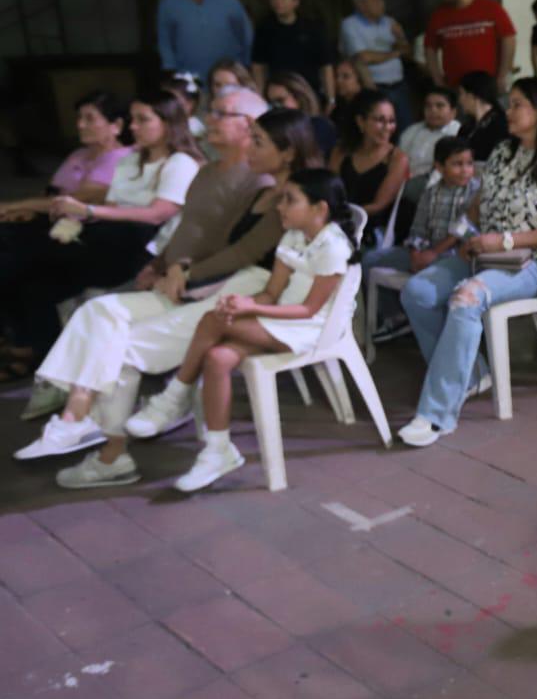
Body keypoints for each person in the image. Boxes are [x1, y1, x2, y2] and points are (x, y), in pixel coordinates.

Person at [15, 102, 303, 485]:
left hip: (245, 296)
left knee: (120, 345)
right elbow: (214, 239)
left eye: (259, 141)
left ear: (288, 152)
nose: (251, 148)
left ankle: (111, 450)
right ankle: (78, 418)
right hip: (218, 284)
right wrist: (167, 265)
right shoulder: (263, 192)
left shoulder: (285, 196)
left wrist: (185, 272)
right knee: (98, 314)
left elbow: (244, 254)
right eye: (252, 139)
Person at [128, 169, 357, 492]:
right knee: (218, 357)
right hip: (280, 320)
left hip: (312, 328)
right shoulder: (292, 235)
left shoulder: (333, 246)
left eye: (290, 200)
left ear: (320, 209)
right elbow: (271, 294)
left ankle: (174, 396)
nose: (280, 206)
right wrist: (243, 303)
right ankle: (218, 449)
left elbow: (310, 310)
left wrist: (252, 309)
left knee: (212, 320)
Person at [396, 78, 537, 446]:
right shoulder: (503, 152)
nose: (509, 112)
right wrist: (466, 237)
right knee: (417, 291)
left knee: (466, 297)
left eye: (517, 105)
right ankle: (472, 375)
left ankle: (436, 415)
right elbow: (477, 207)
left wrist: (503, 240)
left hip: (536, 262)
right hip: (489, 253)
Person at [0, 90, 203, 376]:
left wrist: (90, 212)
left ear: (168, 124)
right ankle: (36, 352)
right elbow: (111, 206)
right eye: (133, 119)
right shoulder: (130, 161)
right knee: (33, 281)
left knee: (18, 253)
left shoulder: (179, 162)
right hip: (106, 236)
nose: (132, 127)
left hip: (138, 245)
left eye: (142, 120)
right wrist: (82, 218)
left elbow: (159, 213)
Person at [364, 135, 479, 340]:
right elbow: (418, 228)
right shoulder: (431, 193)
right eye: (457, 164)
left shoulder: (475, 191)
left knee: (426, 280)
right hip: (426, 251)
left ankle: (437, 328)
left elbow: (463, 229)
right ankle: (395, 316)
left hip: (454, 255)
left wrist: (434, 253)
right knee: (370, 260)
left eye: (469, 164)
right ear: (439, 167)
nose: (465, 170)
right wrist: (416, 253)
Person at [0, 91, 131, 222]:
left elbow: (77, 199)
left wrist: (12, 206)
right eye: (79, 117)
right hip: (54, 221)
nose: (80, 125)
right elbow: (51, 193)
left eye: (89, 119)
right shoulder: (78, 154)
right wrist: (28, 210)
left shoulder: (121, 158)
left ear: (116, 125)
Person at [330, 89, 410, 238]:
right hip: (333, 224)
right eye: (380, 120)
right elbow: (329, 190)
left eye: (391, 121)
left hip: (372, 232)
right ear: (360, 121)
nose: (387, 127)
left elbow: (378, 205)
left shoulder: (397, 158)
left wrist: (342, 216)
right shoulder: (341, 151)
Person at [424, 0, 515, 92]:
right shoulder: (438, 16)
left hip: (489, 84)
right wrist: (437, 79)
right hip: (456, 86)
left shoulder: (490, 8)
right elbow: (430, 48)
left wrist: (503, 74)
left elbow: (508, 39)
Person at [339, 0, 413, 131]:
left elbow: (408, 53)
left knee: (407, 130)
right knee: (382, 132)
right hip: (374, 87)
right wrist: (395, 52)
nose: (381, 3)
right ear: (361, 4)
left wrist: (400, 37)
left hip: (399, 86)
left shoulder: (389, 22)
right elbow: (364, 57)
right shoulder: (350, 24)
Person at [249, 0, 335, 107]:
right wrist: (260, 97)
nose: (278, 2)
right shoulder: (265, 29)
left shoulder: (313, 28)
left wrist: (331, 98)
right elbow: (258, 66)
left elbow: (326, 66)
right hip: (278, 95)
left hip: (309, 92)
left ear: (295, 1)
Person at [263, 71, 338, 160]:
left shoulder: (319, 126)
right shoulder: (277, 132)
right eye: (271, 104)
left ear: (298, 97)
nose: (275, 108)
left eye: (280, 101)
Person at [397, 86, 463, 181]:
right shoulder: (412, 130)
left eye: (439, 106)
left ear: (453, 112)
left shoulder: (458, 133)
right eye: (428, 106)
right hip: (403, 182)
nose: (433, 110)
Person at [456, 71, 511, 162]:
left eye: (461, 93)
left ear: (472, 96)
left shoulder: (502, 125)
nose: (459, 100)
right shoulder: (466, 128)